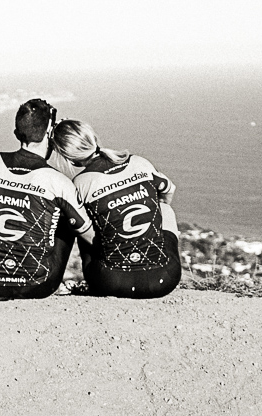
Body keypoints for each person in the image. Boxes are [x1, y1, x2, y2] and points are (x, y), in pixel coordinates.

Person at [0, 97, 92, 300]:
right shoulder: (58, 180)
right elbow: (88, 235)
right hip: (39, 287)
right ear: (49, 134)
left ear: (17, 133)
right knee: (68, 214)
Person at [52, 118, 181, 299]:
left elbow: (89, 236)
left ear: (67, 157)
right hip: (164, 279)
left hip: (111, 283)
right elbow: (169, 189)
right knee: (166, 210)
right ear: (94, 138)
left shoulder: (81, 183)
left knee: (79, 222)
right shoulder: (139, 163)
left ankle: (58, 280)